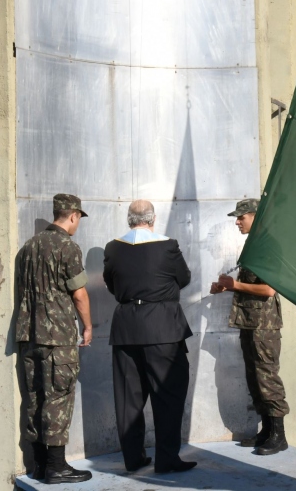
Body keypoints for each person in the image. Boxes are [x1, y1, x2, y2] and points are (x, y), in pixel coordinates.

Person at [103, 200, 197, 474]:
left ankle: (133, 459)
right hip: (163, 328)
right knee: (168, 395)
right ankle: (167, 458)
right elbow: (184, 277)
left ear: (129, 219)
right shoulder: (167, 245)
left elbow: (111, 284)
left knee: (128, 397)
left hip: (126, 329)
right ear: (153, 219)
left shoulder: (112, 247)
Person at [15, 193, 93, 484]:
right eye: (78, 220)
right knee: (59, 398)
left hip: (28, 336)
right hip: (57, 337)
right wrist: (87, 326)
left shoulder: (28, 247)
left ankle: (40, 465)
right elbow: (79, 293)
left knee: (35, 398)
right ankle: (57, 467)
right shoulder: (67, 247)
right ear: (73, 215)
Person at [209, 198, 290, 456]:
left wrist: (234, 286)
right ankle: (266, 431)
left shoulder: (269, 246)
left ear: (255, 216)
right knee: (255, 377)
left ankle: (279, 435)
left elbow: (268, 289)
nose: (237, 222)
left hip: (264, 325)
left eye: (241, 217)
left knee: (267, 376)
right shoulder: (253, 246)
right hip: (249, 321)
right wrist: (226, 286)